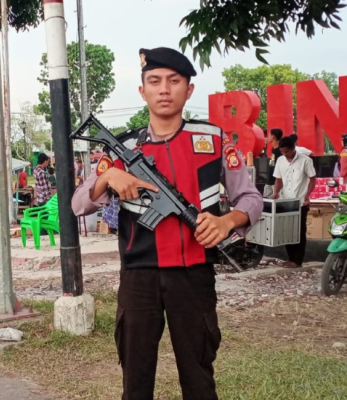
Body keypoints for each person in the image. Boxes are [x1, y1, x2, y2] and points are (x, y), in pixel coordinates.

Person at [72, 47, 263, 399]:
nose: (164, 89)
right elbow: (78, 204)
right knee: (136, 378)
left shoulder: (214, 140)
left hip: (193, 276)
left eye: (174, 81)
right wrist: (108, 177)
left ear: (188, 90)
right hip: (138, 275)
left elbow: (251, 199)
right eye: (154, 81)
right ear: (142, 90)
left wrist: (227, 222)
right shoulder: (121, 148)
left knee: (198, 376)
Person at [272, 136, 316, 268]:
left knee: (299, 230)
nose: (285, 154)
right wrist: (275, 192)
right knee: (287, 229)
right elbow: (278, 179)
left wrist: (307, 196)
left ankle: (297, 260)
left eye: (287, 152)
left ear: (293, 149)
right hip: (285, 200)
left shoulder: (305, 161)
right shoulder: (280, 161)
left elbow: (312, 179)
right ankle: (290, 258)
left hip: (300, 201)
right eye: (282, 152)